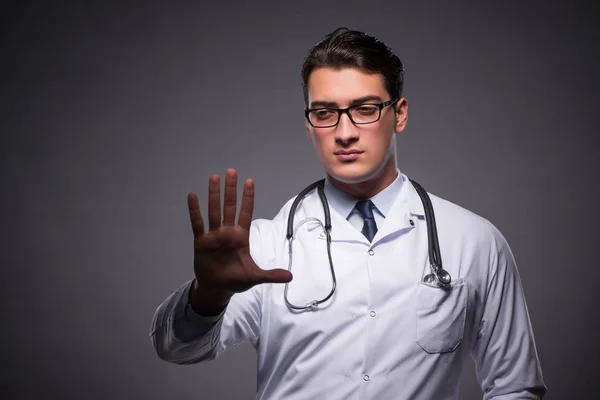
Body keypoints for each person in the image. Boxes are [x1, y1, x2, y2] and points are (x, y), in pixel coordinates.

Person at [149, 27, 546, 399]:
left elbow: (515, 387)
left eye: (365, 108)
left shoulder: (474, 241)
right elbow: (176, 350)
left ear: (400, 113)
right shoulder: (263, 247)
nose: (344, 132)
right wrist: (207, 297)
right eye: (324, 113)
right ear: (309, 125)